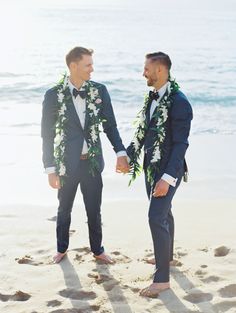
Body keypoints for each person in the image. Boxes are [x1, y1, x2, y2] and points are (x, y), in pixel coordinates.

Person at [41, 46, 129, 264]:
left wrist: (120, 152)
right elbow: (47, 134)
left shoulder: (100, 91)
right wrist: (50, 169)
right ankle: (61, 249)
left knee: (94, 210)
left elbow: (111, 126)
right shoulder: (54, 95)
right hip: (66, 164)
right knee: (64, 209)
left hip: (91, 163)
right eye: (88, 65)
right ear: (73, 66)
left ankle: (98, 250)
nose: (92, 69)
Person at [126, 52, 193, 297]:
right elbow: (143, 131)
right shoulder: (151, 97)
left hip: (169, 171)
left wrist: (166, 179)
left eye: (147, 69)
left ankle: (162, 278)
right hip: (150, 167)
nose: (143, 73)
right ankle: (168, 258)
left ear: (160, 71)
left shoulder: (180, 102)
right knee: (165, 213)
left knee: (156, 217)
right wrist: (129, 156)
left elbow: (180, 145)